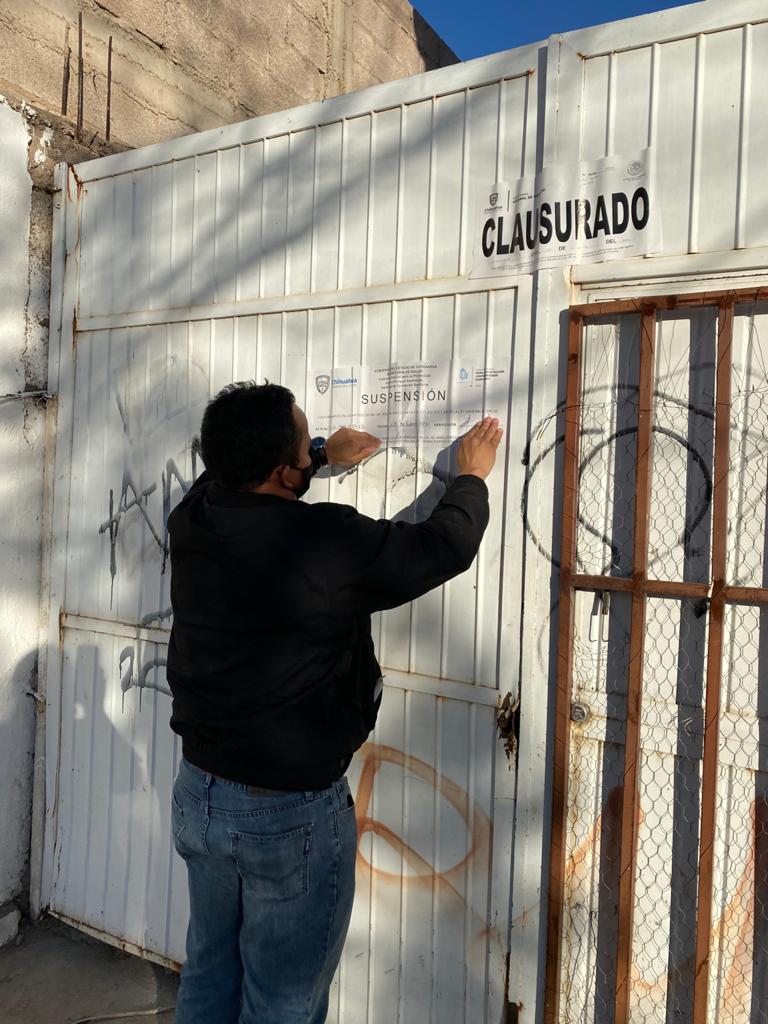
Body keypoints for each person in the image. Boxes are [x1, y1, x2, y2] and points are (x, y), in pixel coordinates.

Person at [166, 381, 503, 1024]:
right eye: (303, 439)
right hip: (286, 815)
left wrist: (319, 454)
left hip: (199, 797)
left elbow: (237, 474)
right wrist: (471, 478)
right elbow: (442, 548)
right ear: (280, 471)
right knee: (282, 1002)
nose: (309, 445)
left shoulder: (194, 516)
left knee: (210, 968)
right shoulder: (320, 540)